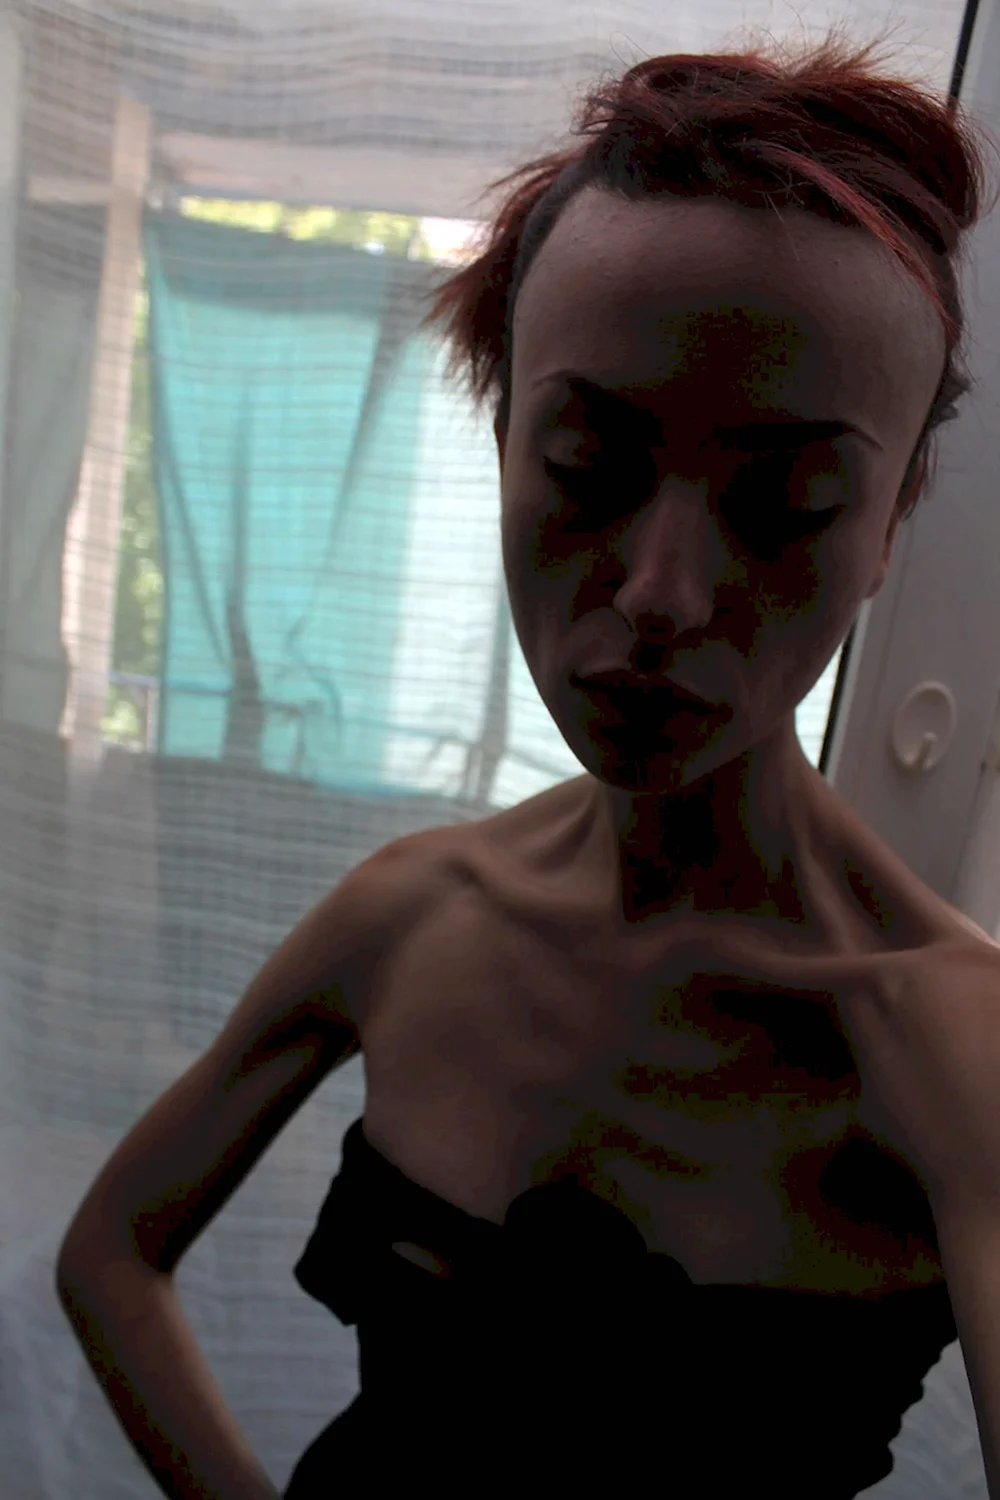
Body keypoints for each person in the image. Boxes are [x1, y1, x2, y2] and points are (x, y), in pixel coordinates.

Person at [55, 23, 1000, 1500]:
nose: (662, 595)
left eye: (789, 501)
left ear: (892, 518)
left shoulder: (952, 1045)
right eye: (587, 466)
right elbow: (110, 1254)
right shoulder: (410, 915)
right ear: (504, 441)